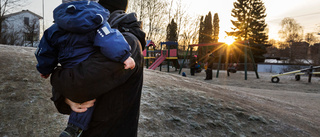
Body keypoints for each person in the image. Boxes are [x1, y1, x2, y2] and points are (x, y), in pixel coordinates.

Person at [34, 0, 137, 136]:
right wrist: (65, 98)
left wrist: (48, 70)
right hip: (101, 126)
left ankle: (73, 127)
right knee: (88, 100)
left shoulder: (128, 40)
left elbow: (46, 51)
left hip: (110, 129)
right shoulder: (98, 26)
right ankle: (74, 127)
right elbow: (80, 83)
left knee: (87, 99)